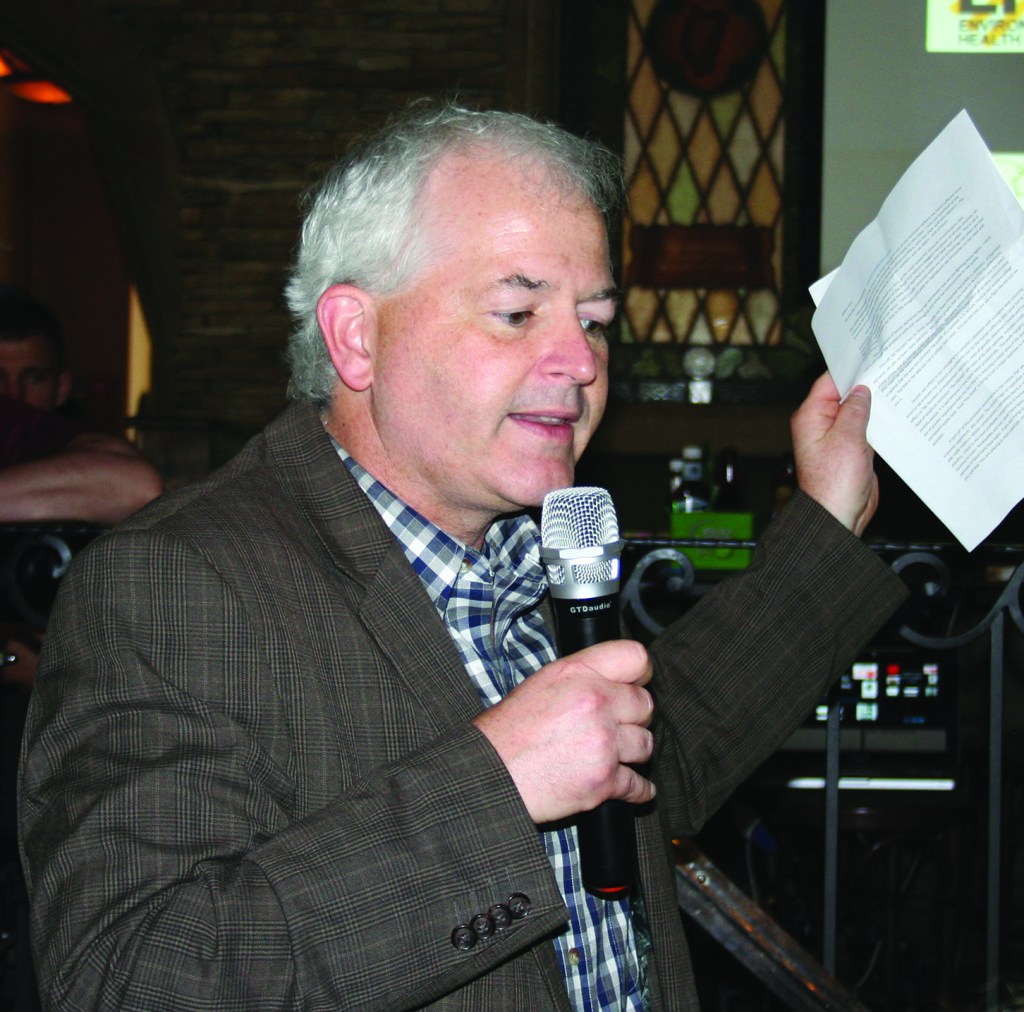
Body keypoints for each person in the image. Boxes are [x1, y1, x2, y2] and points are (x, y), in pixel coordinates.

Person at [18, 102, 907, 1010]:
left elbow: (660, 758)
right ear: (357, 336)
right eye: (517, 313)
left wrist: (827, 519)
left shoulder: (533, 552)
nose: (580, 361)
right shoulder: (175, 584)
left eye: (594, 320)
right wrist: (497, 787)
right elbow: (131, 979)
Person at [0, 295, 164, 525]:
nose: (13, 394)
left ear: (62, 387)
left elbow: (138, 487)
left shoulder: (43, 434)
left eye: (34, 378)